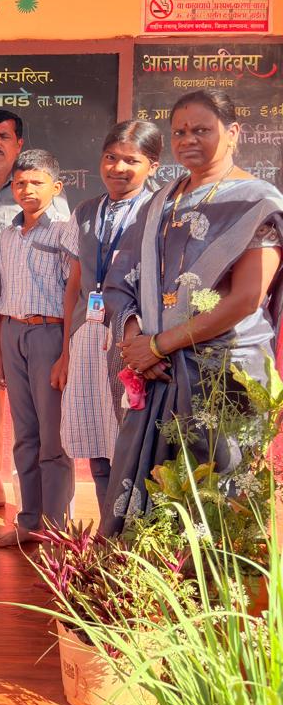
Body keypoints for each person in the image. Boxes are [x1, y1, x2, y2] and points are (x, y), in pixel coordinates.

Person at [105, 89, 283, 536]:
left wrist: (159, 345)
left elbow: (246, 299)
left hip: (223, 375)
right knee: (153, 498)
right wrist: (135, 339)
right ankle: (149, 578)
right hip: (158, 371)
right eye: (179, 132)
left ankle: (213, 580)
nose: (188, 140)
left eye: (202, 130)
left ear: (233, 132)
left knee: (219, 498)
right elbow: (122, 276)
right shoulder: (160, 203)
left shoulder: (255, 202)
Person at [51, 121, 160, 521]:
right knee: (97, 439)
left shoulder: (160, 212)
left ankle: (135, 537)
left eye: (131, 160)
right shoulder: (85, 211)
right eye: (111, 157)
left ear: (153, 165)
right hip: (87, 338)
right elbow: (75, 285)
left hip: (134, 340)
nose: (118, 168)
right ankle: (107, 534)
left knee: (131, 439)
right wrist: (65, 352)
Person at [0, 109, 70, 508]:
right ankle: (4, 500)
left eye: (4, 136)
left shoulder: (60, 219)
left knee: (50, 429)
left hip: (46, 328)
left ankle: (53, 518)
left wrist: (67, 346)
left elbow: (73, 285)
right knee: (0, 417)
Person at [0, 149, 76, 547]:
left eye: (37, 182)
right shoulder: (7, 236)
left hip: (49, 336)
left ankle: (56, 529)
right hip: (12, 333)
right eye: (20, 183)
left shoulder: (64, 233)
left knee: (53, 438)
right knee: (24, 435)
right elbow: (4, 294)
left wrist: (67, 353)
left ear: (56, 187)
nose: (27, 190)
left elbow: (74, 295)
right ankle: (28, 522)